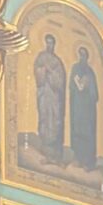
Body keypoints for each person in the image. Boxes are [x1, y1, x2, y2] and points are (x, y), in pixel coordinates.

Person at [33, 31, 66, 162]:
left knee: (54, 119)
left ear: (54, 45)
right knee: (44, 117)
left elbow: (60, 81)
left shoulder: (57, 62)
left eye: (51, 43)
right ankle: (45, 148)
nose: (49, 45)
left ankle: (54, 151)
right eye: (47, 43)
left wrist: (51, 71)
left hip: (54, 96)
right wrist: (43, 70)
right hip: (44, 93)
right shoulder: (41, 57)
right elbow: (37, 73)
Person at [69, 43, 99, 171]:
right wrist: (78, 86)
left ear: (87, 57)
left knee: (87, 133)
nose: (82, 57)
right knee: (77, 131)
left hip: (87, 109)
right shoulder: (75, 68)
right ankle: (78, 157)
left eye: (84, 55)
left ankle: (87, 161)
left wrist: (88, 84)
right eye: (80, 55)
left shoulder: (90, 72)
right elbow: (71, 86)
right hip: (77, 107)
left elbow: (95, 94)